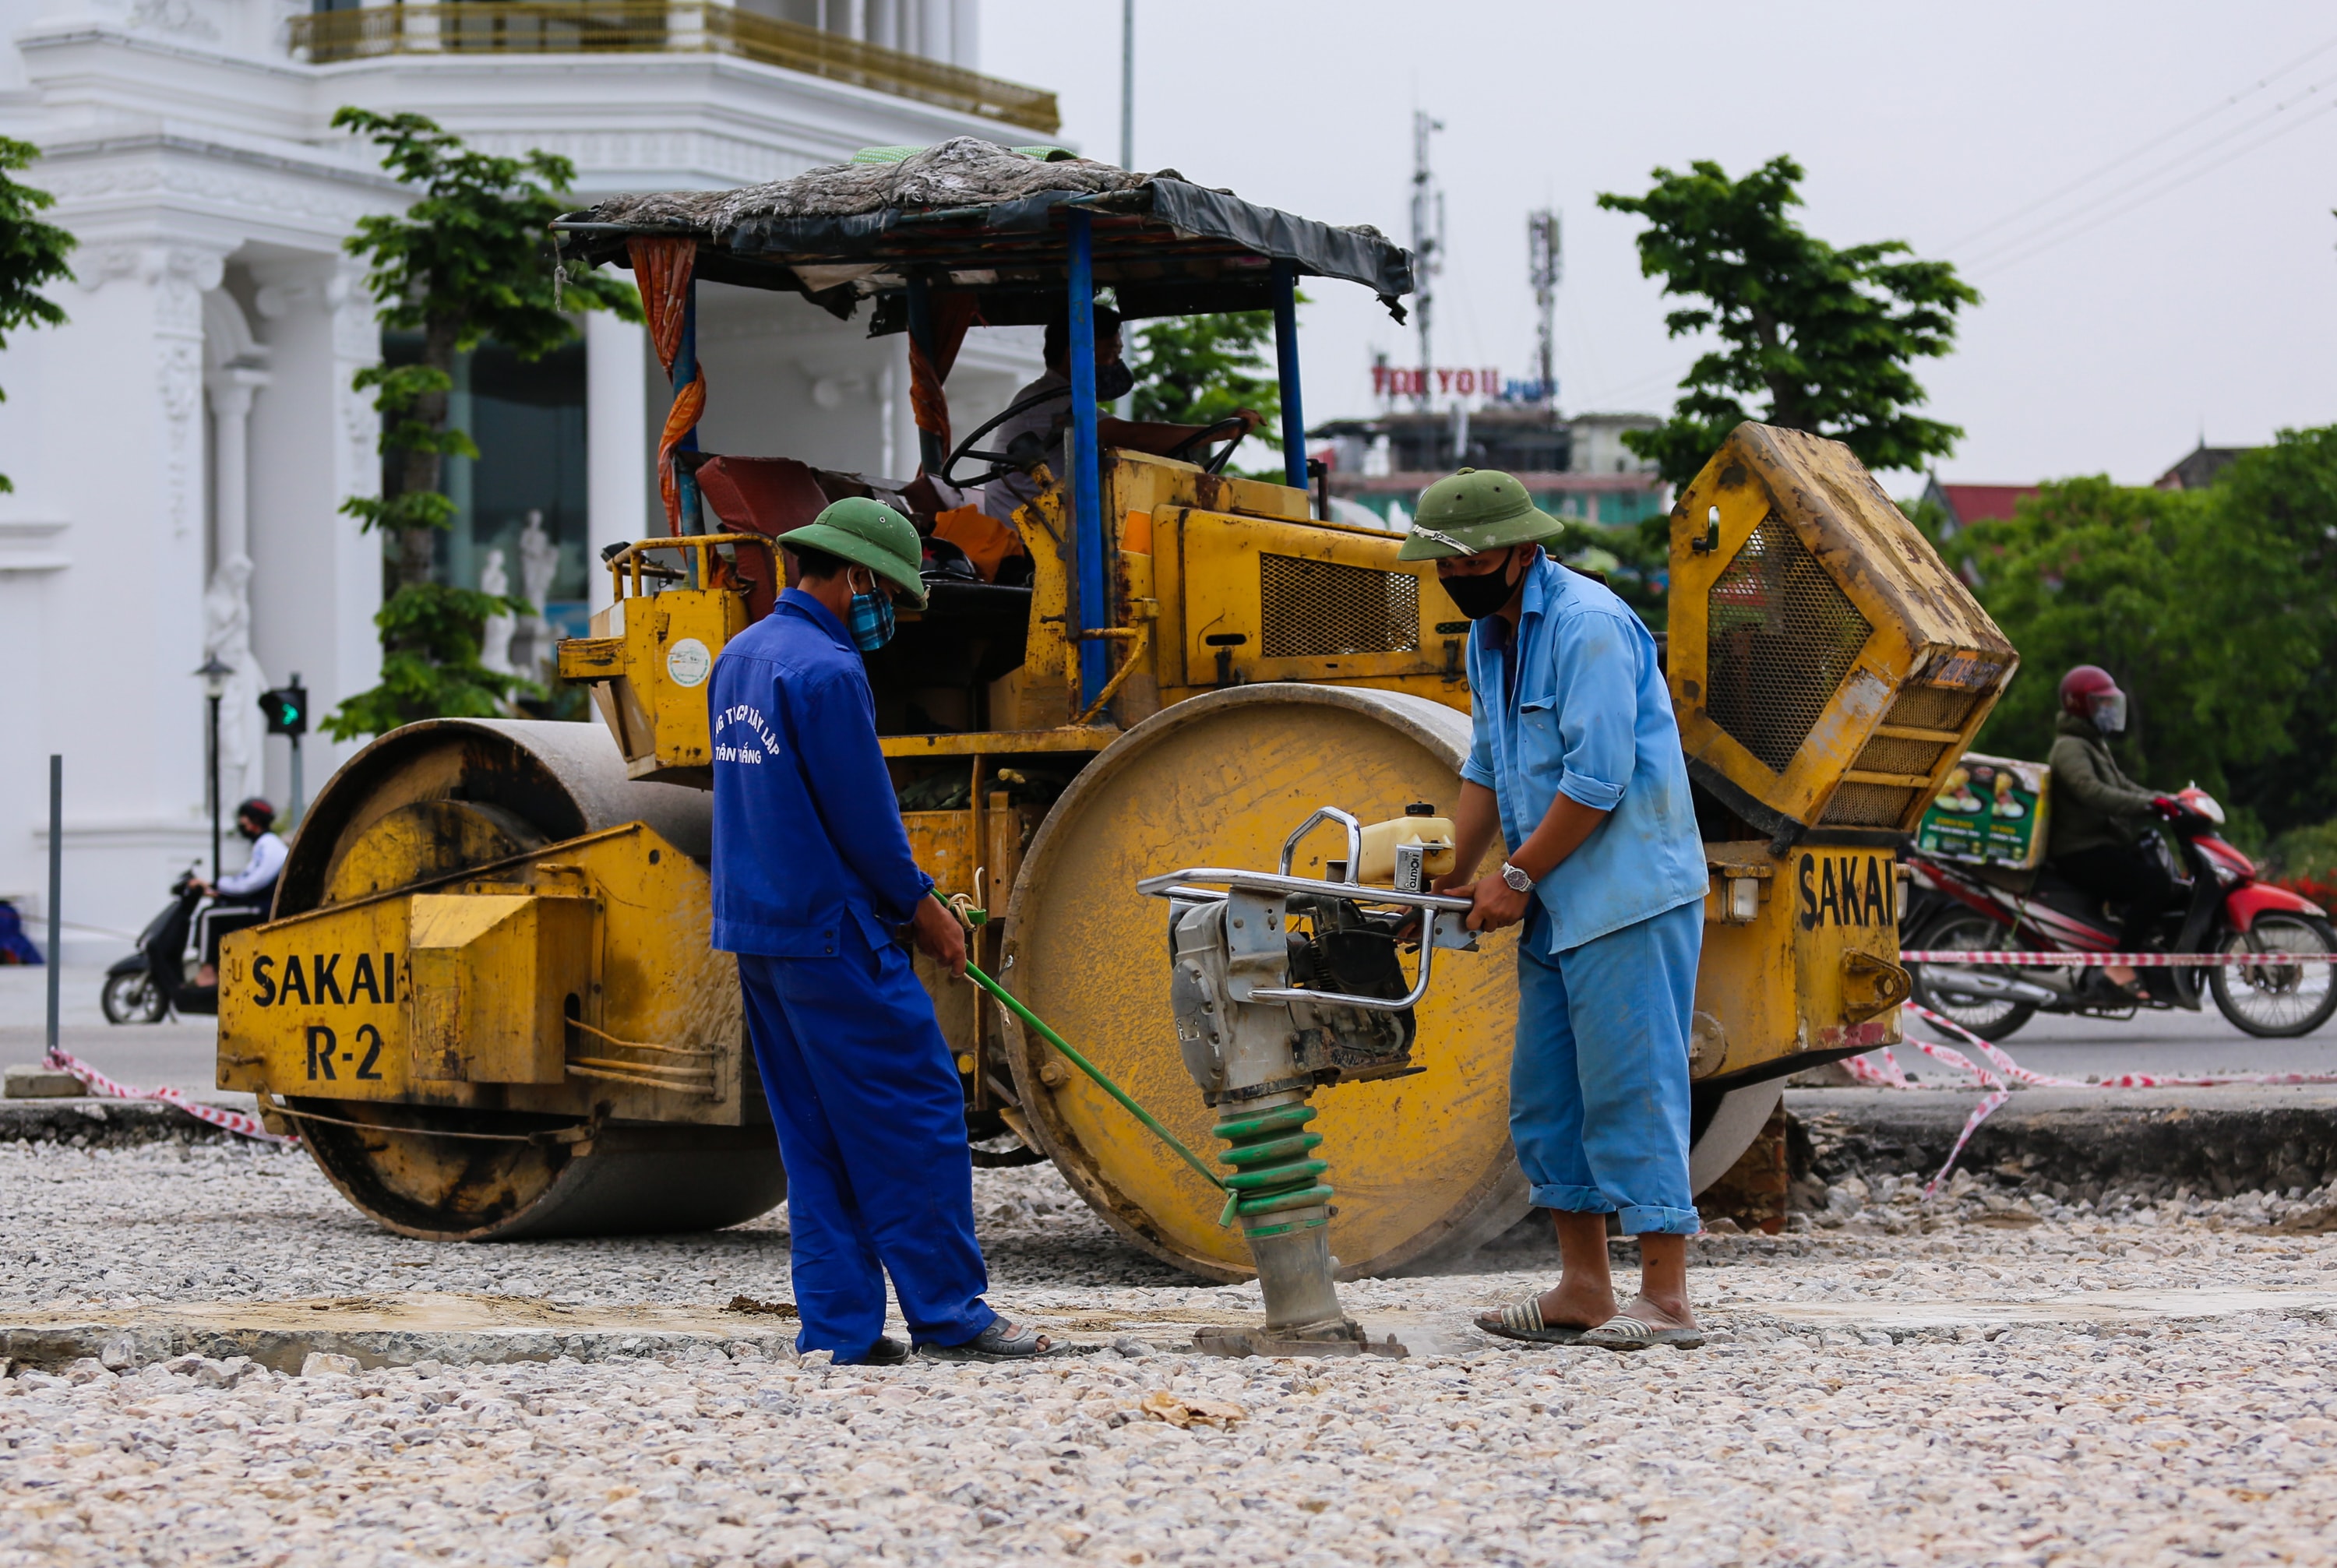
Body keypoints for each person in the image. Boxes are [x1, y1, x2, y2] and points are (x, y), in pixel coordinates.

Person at [707, 495, 1049, 1366]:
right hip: (834, 934)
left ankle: (840, 1327)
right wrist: (925, 909)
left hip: (761, 932)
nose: (887, 613)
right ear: (854, 574)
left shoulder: (741, 657)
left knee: (815, 1130)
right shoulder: (826, 670)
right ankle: (950, 1312)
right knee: (918, 1113)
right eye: (888, 594)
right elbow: (864, 819)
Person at [1397, 469, 1711, 1352]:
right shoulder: (1489, 638)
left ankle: (1668, 1298)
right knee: (1548, 1094)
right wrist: (1449, 877)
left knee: (1632, 1090)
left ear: (1523, 549)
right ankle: (1583, 1287)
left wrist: (1517, 879)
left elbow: (1598, 780)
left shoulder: (1590, 627)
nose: (1456, 577)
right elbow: (1488, 767)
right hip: (1558, 900)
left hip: (1627, 894)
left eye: (1472, 560)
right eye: (1443, 566)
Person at [981, 301, 1262, 522]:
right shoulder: (1049, 400)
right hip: (1032, 532)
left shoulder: (1061, 399)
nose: (1115, 362)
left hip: (1054, 524)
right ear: (1076, 353)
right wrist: (1220, 432)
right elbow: (1132, 435)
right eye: (1111, 352)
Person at [2046, 664, 2179, 1000]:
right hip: (2079, 850)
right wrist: (2149, 807)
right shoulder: (2070, 748)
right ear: (2081, 705)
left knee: (2163, 879)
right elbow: (2093, 792)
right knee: (2153, 885)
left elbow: (2122, 785)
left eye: (2110, 705)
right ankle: (2119, 964)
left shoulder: (2092, 744)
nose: (2109, 712)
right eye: (2101, 705)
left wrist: (2164, 799)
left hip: (2099, 843)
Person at [192, 798, 286, 987]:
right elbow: (247, 880)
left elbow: (251, 883)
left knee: (208, 916)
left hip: (262, 908)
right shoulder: (263, 845)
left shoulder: (269, 846)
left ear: (254, 821)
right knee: (216, 910)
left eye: (244, 818)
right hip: (257, 903)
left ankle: (208, 974)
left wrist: (216, 884)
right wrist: (219, 892)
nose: (241, 823)